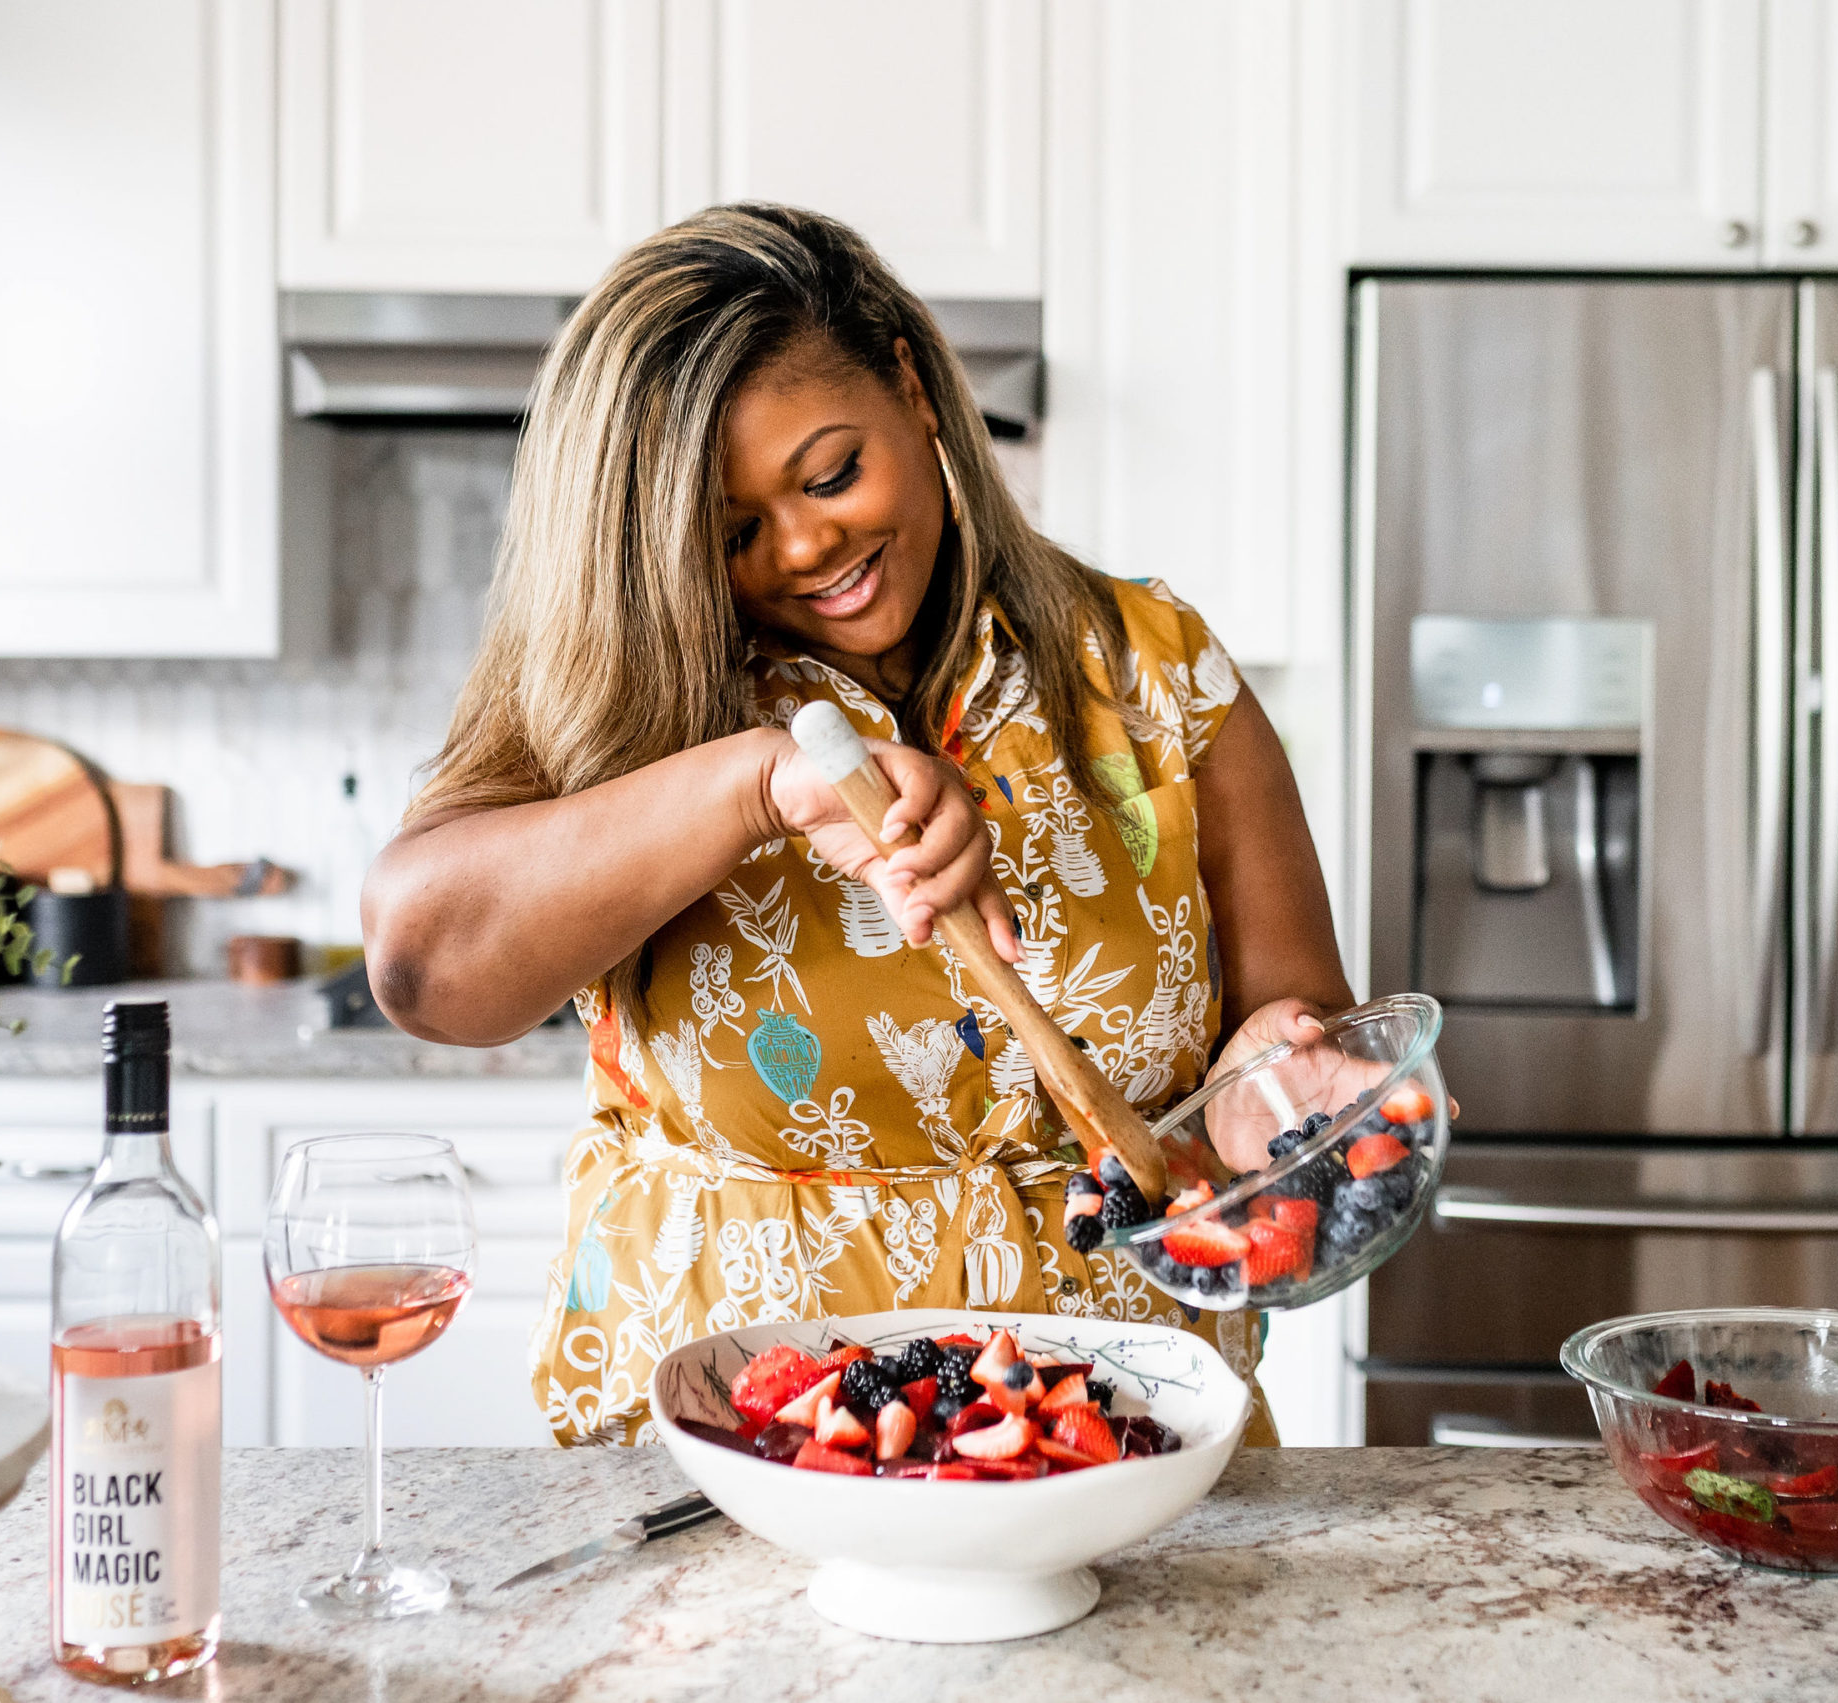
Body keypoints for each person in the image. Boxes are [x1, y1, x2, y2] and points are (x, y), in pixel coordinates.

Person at [363, 204, 1351, 1446]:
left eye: (830, 473)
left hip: (1126, 1446)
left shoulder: (1155, 667)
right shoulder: (624, 701)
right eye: (731, 532)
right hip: (738, 1469)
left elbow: (1284, 1018)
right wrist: (759, 786)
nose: (805, 544)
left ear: (910, 384)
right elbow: (420, 967)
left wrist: (1287, 1082)